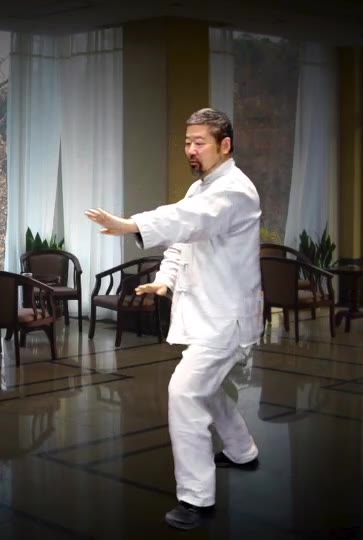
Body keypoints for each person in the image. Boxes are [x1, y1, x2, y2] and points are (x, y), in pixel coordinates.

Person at [85, 107, 263, 530]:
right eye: (187, 142)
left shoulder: (236, 191)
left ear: (225, 145)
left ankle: (196, 499)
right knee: (207, 389)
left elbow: (189, 220)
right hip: (206, 315)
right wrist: (164, 280)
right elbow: (182, 242)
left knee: (184, 393)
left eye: (199, 142)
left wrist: (131, 224)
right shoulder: (200, 188)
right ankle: (242, 451)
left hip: (226, 318)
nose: (191, 150)